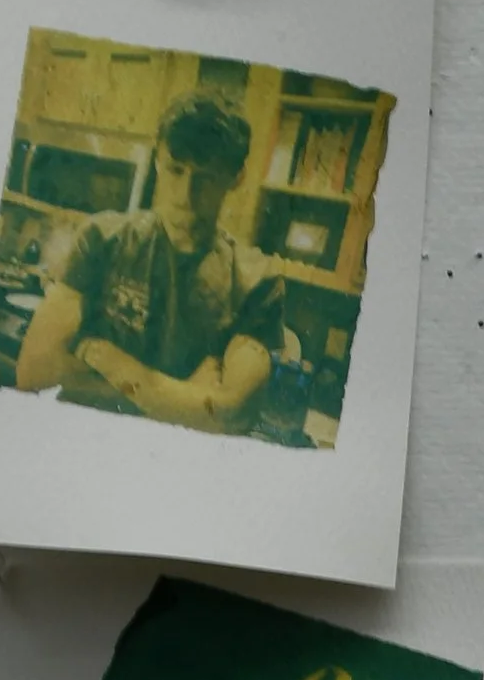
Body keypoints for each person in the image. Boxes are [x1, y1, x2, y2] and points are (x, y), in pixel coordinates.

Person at [14, 84, 284, 433]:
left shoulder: (256, 281)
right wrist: (185, 398)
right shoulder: (102, 239)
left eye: (206, 178)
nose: (186, 195)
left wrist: (110, 360)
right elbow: (32, 371)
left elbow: (231, 415)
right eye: (175, 170)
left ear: (236, 178)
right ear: (158, 159)